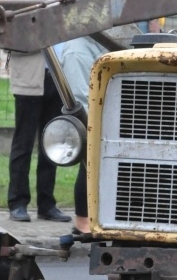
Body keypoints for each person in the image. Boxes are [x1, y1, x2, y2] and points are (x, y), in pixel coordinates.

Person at [7, 51, 72, 223]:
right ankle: (17, 202)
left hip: (58, 76)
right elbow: (3, 37)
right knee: (23, 143)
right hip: (29, 76)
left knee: (51, 144)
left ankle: (46, 204)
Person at [57, 36, 109, 234]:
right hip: (92, 119)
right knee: (89, 167)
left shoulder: (101, 42)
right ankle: (82, 223)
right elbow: (80, 97)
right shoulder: (76, 51)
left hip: (108, 115)